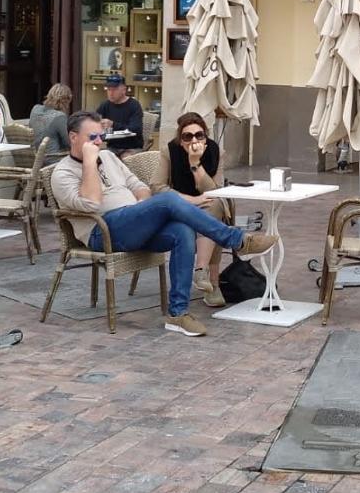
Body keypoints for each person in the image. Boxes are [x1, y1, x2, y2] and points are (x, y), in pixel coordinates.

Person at [49, 112, 276, 337]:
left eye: (101, 136)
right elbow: (91, 203)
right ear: (73, 137)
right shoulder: (63, 173)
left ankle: (178, 314)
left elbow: (138, 185)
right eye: (92, 138)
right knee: (168, 200)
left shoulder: (108, 157)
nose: (99, 142)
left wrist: (142, 209)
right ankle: (237, 240)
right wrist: (89, 162)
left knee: (182, 231)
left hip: (133, 222)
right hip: (103, 232)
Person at [166, 112, 232, 308]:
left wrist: (196, 163)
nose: (194, 140)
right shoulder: (169, 151)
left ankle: (202, 272)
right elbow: (158, 187)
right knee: (213, 217)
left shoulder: (216, 151)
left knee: (215, 207)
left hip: (208, 203)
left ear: (205, 136)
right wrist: (193, 200)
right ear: (180, 139)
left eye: (199, 135)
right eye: (188, 136)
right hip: (179, 205)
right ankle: (212, 282)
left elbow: (215, 190)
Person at [95, 74, 144, 154]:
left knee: (126, 160)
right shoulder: (105, 105)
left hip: (132, 147)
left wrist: (113, 124)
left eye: (115, 89)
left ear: (124, 90)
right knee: (99, 157)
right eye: (109, 89)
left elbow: (136, 129)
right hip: (112, 147)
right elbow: (95, 121)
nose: (111, 93)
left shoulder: (134, 105)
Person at [28, 83, 72, 163]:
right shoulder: (59, 117)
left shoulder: (35, 109)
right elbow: (69, 143)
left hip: (34, 159)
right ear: (66, 101)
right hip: (52, 161)